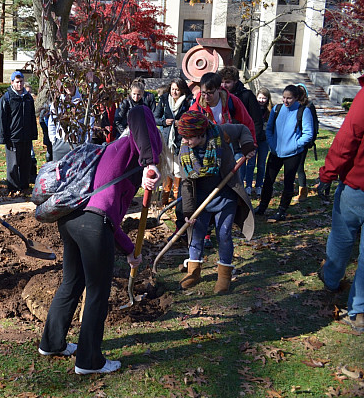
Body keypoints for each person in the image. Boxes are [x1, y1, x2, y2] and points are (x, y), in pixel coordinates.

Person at [38, 105, 162, 374]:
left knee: (72, 282)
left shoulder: (111, 151)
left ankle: (52, 343)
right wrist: (150, 163)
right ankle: (89, 361)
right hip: (93, 224)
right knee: (96, 293)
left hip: (72, 218)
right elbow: (139, 112)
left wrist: (129, 250)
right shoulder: (130, 147)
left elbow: (110, 218)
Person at [176, 111, 255, 293]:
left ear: (201, 134)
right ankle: (194, 272)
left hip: (225, 194)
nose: (186, 141)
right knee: (196, 232)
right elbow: (187, 183)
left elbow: (243, 129)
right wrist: (188, 212)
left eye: (189, 138)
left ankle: (224, 275)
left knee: (224, 233)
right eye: (184, 137)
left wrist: (247, 145)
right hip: (201, 199)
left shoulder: (220, 132)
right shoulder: (184, 151)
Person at [317, 75, 364, 333]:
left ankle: (332, 278)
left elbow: (347, 140)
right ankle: (360, 311)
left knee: (343, 236)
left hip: (358, 187)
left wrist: (327, 174)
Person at [189, 72, 255, 249]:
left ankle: (234, 217)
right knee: (207, 189)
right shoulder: (198, 106)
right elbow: (189, 126)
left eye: (210, 92)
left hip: (231, 149)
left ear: (219, 89)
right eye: (203, 92)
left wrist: (250, 145)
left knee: (232, 186)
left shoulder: (232, 101)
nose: (206, 96)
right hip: (207, 152)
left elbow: (246, 124)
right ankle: (207, 232)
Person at [254, 85, 314, 222]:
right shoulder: (277, 109)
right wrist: (272, 144)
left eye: (289, 98)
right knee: (268, 180)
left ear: (296, 98)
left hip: (293, 154)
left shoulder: (303, 111)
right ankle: (262, 206)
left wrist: (294, 145)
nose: (286, 101)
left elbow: (308, 134)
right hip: (275, 152)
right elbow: (269, 129)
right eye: (284, 97)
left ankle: (282, 210)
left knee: (288, 182)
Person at [219, 66, 263, 189]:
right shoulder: (219, 96)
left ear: (235, 81)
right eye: (222, 81)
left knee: (238, 175)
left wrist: (252, 143)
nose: (224, 85)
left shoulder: (246, 95)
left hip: (240, 142)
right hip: (224, 140)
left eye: (227, 82)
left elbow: (256, 120)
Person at [0, 71, 38, 195]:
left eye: (21, 82)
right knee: (13, 165)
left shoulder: (28, 97)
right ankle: (13, 188)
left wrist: (33, 134)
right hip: (12, 138)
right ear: (12, 83)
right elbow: (1, 119)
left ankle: (24, 186)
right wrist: (2, 137)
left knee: (26, 163)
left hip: (26, 137)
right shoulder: (7, 98)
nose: (20, 84)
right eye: (17, 82)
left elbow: (32, 117)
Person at [153, 78, 192, 206]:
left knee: (178, 168)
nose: (174, 92)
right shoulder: (164, 99)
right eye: (173, 89)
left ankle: (176, 197)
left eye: (177, 90)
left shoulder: (187, 101)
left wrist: (180, 123)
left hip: (180, 139)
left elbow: (191, 118)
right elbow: (155, 117)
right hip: (166, 139)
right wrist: (164, 122)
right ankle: (164, 197)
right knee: (167, 166)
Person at [47, 78, 91, 161]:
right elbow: (52, 122)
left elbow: (90, 122)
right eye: (66, 85)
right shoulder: (58, 102)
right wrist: (54, 141)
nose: (68, 88)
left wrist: (86, 141)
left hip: (78, 142)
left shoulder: (84, 101)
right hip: (60, 142)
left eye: (71, 84)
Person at [294, 83, 318, 203]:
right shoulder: (293, 105)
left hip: (303, 140)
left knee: (299, 167)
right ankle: (295, 189)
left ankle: (302, 192)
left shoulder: (309, 106)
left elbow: (315, 123)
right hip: (293, 140)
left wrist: (310, 140)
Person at [248, 87, 272, 197]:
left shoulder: (270, 111)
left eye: (264, 98)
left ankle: (258, 186)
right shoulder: (253, 108)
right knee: (251, 164)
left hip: (264, 140)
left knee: (261, 164)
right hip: (254, 138)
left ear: (268, 99)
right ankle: (248, 185)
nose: (261, 100)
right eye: (260, 98)